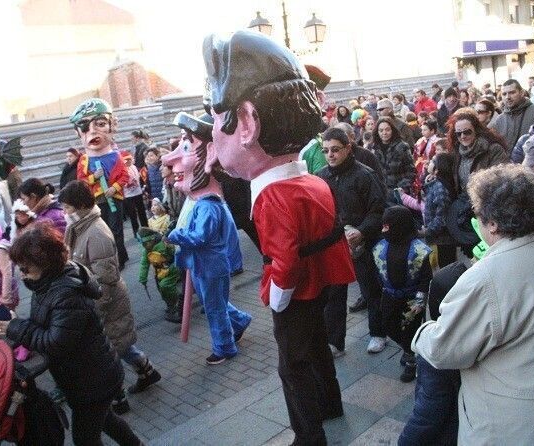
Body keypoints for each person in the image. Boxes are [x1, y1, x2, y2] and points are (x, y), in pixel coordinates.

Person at [203, 30, 355, 444]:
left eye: (217, 119)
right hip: (321, 282)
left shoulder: (272, 196)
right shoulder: (312, 180)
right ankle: (331, 403)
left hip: (296, 291)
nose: (213, 133)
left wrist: (277, 297)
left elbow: (284, 260)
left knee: (292, 365)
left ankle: (309, 435)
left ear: (247, 123)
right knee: (317, 345)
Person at [412, 164, 534, 445]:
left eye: (477, 214)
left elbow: (444, 350)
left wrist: (423, 331)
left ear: (492, 223)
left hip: (512, 425)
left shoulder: (486, 278)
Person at [0, 222, 144, 446]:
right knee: (107, 421)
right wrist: (15, 324)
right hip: (85, 376)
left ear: (45, 264)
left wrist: (14, 327)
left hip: (93, 380)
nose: (22, 275)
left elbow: (55, 343)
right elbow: (46, 326)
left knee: (85, 439)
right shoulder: (48, 283)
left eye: (25, 269)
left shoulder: (66, 292)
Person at [58, 181, 161, 413]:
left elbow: (105, 277)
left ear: (80, 206)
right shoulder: (79, 227)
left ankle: (118, 399)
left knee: (105, 355)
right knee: (119, 346)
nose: (64, 212)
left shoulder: (96, 232)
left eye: (67, 207)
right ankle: (147, 371)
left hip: (105, 301)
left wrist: (94, 306)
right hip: (98, 299)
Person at [163, 111, 252, 365]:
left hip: (211, 266)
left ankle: (224, 347)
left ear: (210, 153)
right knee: (213, 302)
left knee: (214, 308)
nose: (169, 159)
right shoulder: (200, 202)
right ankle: (239, 321)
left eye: (186, 147)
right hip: (204, 265)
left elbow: (200, 237)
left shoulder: (208, 206)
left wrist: (175, 235)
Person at [317, 128, 385, 357]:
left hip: (363, 241)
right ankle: (335, 342)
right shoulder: (320, 177)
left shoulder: (365, 175)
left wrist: (362, 231)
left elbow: (378, 209)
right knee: (334, 293)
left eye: (335, 150)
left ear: (347, 148)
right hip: (335, 244)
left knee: (370, 289)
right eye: (326, 150)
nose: (330, 155)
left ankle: (378, 333)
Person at [398, 261, 466, 446]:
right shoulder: (475, 330)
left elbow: (427, 412)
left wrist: (406, 441)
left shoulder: (435, 350)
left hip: (447, 433)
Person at [373, 206, 432, 382]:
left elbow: (426, 277)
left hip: (412, 298)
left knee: (410, 329)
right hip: (389, 295)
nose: (384, 230)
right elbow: (378, 272)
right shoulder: (380, 247)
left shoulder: (419, 250)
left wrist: (420, 299)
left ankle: (411, 359)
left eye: (388, 226)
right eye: (384, 226)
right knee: (388, 325)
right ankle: (409, 348)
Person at [70, 98, 130, 270]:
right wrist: (94, 177)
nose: (92, 131)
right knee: (103, 231)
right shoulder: (84, 160)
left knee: (116, 229)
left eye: (101, 124)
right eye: (84, 127)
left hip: (114, 198)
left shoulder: (116, 156)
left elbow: (124, 176)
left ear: (112, 126)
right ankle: (109, 260)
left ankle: (121, 258)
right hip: (97, 201)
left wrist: (114, 188)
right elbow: (82, 181)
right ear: (77, 132)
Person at [401, 152, 458, 268]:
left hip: (442, 240)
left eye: (432, 161)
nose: (428, 162)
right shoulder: (435, 183)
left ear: (438, 169)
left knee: (445, 268)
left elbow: (441, 218)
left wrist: (426, 231)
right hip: (437, 238)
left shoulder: (441, 188)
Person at [447, 109, 509, 194]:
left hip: (486, 198)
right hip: (462, 198)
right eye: (458, 133)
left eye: (467, 132)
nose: (462, 136)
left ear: (476, 130)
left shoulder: (493, 149)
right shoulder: (457, 151)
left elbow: (501, 180)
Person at [137, 227, 183, 323]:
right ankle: (170, 305)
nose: (144, 246)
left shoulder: (164, 244)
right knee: (162, 290)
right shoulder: (147, 250)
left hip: (171, 269)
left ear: (152, 240)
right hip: (159, 273)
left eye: (145, 243)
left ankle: (178, 302)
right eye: (142, 244)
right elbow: (144, 264)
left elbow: (177, 253)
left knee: (165, 286)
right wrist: (143, 278)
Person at [489, 78, 534, 150]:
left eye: (512, 93)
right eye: (504, 94)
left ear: (522, 93)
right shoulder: (500, 120)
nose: (507, 97)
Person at [370, 117, 416, 191]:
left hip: (398, 190)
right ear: (377, 132)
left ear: (392, 130)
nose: (384, 133)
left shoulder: (402, 146)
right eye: (381, 130)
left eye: (387, 130)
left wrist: (402, 187)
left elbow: (411, 171)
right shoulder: (373, 148)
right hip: (379, 190)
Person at [121, 150, 148, 236]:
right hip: (128, 195)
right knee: (132, 215)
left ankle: (146, 229)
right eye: (126, 160)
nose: (128, 161)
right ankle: (136, 232)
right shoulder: (122, 169)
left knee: (142, 212)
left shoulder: (134, 167)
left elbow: (139, 179)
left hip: (138, 193)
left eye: (129, 159)